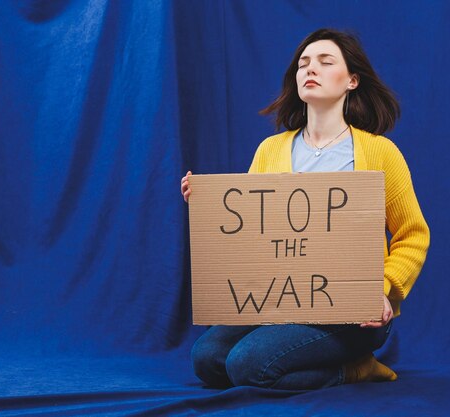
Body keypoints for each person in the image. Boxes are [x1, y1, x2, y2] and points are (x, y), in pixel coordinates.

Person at [180, 28, 430, 390]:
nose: (310, 69)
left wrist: (383, 288)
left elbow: (413, 234)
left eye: (325, 62)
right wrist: (209, 207)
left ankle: (357, 368)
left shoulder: (380, 154)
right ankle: (343, 364)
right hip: (282, 306)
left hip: (355, 313)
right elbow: (251, 235)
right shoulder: (270, 150)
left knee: (246, 366)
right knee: (206, 360)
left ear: (352, 80)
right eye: (303, 64)